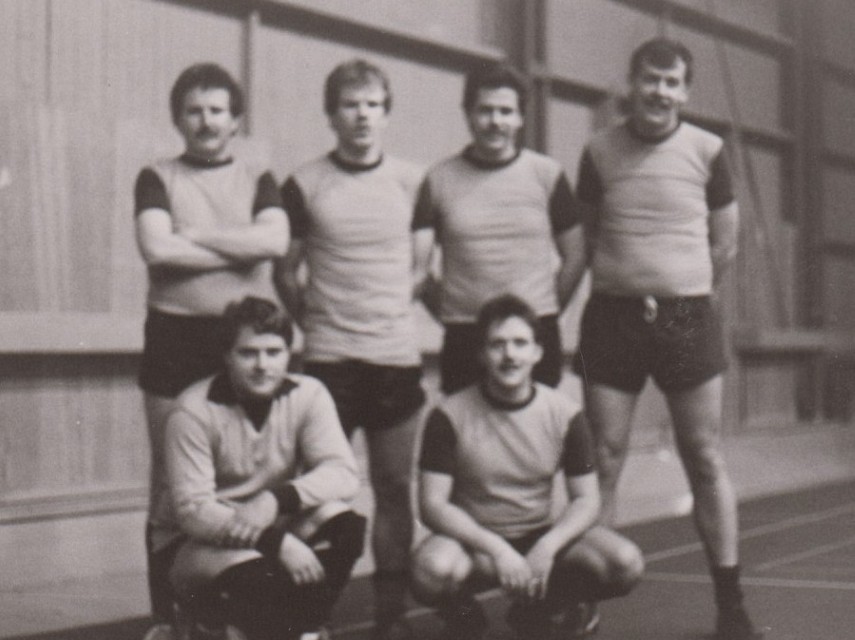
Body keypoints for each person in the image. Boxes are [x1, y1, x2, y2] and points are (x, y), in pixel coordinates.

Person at [572, 38, 761, 639]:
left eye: (672, 81)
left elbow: (724, 245)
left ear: (685, 90)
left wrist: (680, 287)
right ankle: (585, 600)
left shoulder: (707, 150)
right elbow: (588, 236)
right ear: (632, 84)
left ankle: (730, 606)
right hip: (613, 318)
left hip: (686, 318)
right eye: (650, 79)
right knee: (603, 458)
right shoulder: (598, 151)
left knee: (703, 456)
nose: (659, 91)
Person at [134, 63, 290, 638]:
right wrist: (239, 248)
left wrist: (193, 237)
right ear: (178, 118)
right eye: (194, 111)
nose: (206, 121)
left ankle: (245, 612)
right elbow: (157, 249)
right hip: (174, 341)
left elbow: (275, 240)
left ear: (235, 119)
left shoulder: (258, 175)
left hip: (244, 344)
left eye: (217, 110)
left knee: (249, 477)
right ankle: (167, 619)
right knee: (170, 487)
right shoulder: (156, 176)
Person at [276, 59, 427, 640]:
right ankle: (307, 616)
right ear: (331, 114)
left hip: (394, 360)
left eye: (372, 105)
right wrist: (319, 322)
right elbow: (285, 272)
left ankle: (390, 616)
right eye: (350, 104)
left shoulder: (412, 181)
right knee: (318, 491)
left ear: (386, 113)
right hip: (329, 362)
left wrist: (385, 311)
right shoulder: (304, 182)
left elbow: (421, 267)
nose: (362, 115)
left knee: (393, 489)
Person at [412, 295, 644, 639]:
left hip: (539, 536)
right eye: (497, 344)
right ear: (481, 354)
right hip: (476, 545)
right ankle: (464, 616)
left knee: (625, 563)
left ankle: (546, 605)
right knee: (430, 571)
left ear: (537, 352)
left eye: (520, 343)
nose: (510, 355)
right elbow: (432, 505)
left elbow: (587, 499)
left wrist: (546, 548)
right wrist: (497, 550)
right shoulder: (447, 415)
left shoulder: (566, 414)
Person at [149, 296, 366, 640]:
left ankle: (304, 626)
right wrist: (277, 543)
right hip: (197, 544)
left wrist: (275, 500)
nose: (262, 365)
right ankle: (206, 618)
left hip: (268, 522)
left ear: (289, 354)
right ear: (226, 356)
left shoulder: (309, 394)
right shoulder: (191, 411)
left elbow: (343, 473)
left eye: (273, 352)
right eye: (248, 353)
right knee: (266, 580)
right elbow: (194, 512)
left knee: (346, 525)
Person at [413, 62, 587, 395]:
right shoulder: (438, 180)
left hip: (532, 333)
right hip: (465, 335)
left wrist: (544, 313)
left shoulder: (547, 174)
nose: (495, 121)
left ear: (520, 118)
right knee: (466, 428)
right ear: (468, 115)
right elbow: (418, 266)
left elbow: (576, 255)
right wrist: (451, 314)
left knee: (536, 427)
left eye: (506, 111)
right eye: (485, 111)